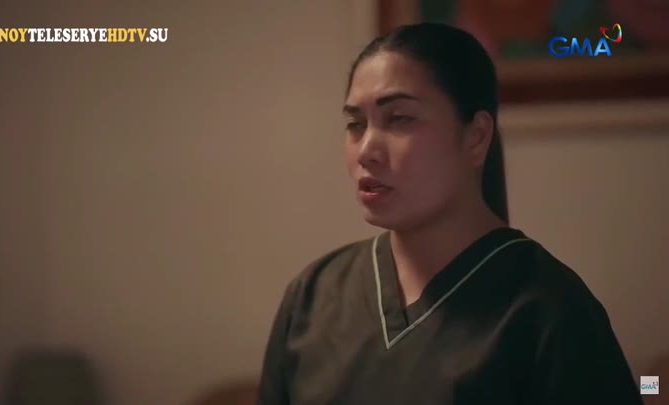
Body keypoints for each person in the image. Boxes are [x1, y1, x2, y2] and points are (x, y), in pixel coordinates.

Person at [256, 22, 642, 405]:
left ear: (476, 136)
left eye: (400, 119)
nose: (366, 150)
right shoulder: (312, 296)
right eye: (355, 124)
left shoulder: (550, 311)